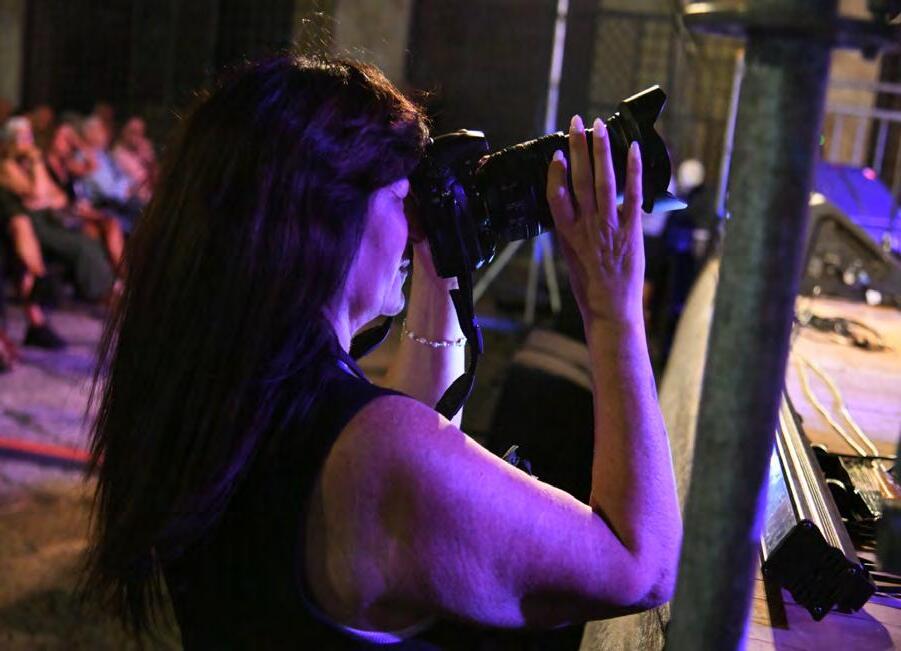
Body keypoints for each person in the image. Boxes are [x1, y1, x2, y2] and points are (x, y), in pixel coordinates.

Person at [81, 56, 681, 648]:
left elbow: (409, 449)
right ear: (326, 217)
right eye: (401, 198)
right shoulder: (375, 453)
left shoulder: (217, 389)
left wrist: (442, 262)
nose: (414, 223)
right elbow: (641, 566)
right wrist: (612, 309)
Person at [0, 117, 115, 303]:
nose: (28, 141)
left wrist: (41, 194)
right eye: (23, 137)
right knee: (83, 245)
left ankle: (107, 289)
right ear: (11, 140)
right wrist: (36, 160)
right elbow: (39, 193)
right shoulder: (7, 166)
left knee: (92, 236)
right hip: (32, 223)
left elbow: (52, 195)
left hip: (48, 218)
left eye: (29, 136)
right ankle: (102, 294)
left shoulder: (28, 164)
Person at [112, 116, 156, 204]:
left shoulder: (143, 151)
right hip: (134, 201)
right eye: (132, 132)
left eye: (140, 133)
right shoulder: (118, 154)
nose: (136, 137)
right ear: (124, 131)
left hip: (149, 196)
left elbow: (156, 179)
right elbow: (137, 183)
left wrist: (150, 160)